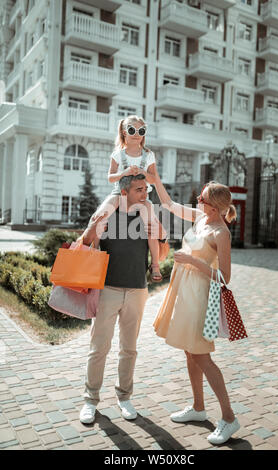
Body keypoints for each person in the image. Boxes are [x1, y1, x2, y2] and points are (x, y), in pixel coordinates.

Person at [152, 172, 241, 445]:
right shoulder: (201, 218)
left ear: (213, 207)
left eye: (200, 199)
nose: (196, 201)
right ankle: (199, 408)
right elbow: (169, 204)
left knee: (202, 356)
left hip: (204, 297)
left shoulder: (220, 232)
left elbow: (225, 277)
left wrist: (193, 261)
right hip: (185, 291)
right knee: (190, 353)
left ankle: (228, 418)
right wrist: (154, 179)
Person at [79, 173, 166, 425]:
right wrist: (95, 229)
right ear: (124, 193)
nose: (145, 194)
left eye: (147, 189)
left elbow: (158, 242)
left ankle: (124, 397)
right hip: (107, 289)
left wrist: (156, 264)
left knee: (129, 349)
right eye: (140, 189)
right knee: (99, 348)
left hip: (137, 289)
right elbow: (86, 242)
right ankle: (90, 400)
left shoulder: (146, 213)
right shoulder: (109, 211)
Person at [89, 115, 166, 282]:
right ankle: (93, 255)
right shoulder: (118, 154)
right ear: (124, 133)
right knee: (99, 216)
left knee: (151, 225)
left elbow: (153, 179)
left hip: (141, 196)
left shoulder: (148, 155)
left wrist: (143, 172)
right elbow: (110, 177)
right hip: (120, 193)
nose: (137, 134)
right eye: (132, 130)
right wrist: (124, 173)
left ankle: (155, 265)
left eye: (141, 130)